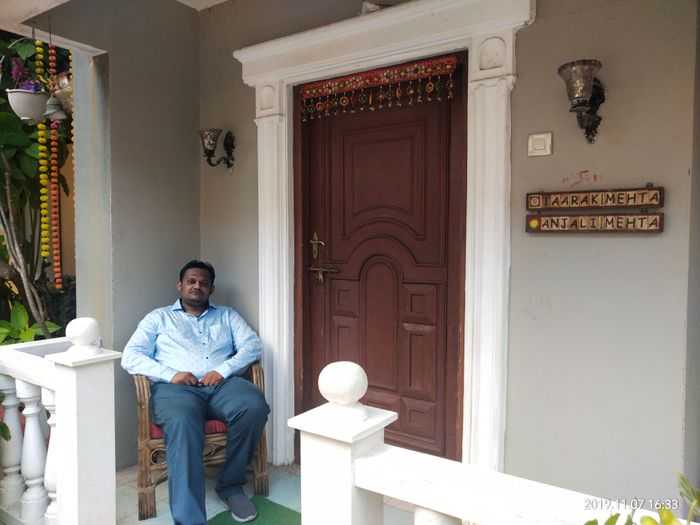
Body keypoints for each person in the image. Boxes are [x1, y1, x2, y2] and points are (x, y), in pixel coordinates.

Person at [122, 260, 269, 525]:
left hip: (221, 386)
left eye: (203, 282)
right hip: (176, 389)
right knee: (182, 421)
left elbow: (253, 346)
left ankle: (231, 485)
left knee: (253, 405)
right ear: (180, 285)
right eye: (191, 281)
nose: (197, 286)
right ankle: (189, 519)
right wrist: (171, 374)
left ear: (211, 289)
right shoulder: (158, 318)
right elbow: (130, 356)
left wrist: (223, 370)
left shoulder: (227, 315)